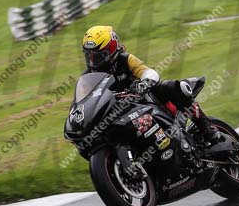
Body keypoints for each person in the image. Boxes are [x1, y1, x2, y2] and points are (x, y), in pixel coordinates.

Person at [81, 24, 223, 149]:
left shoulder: (125, 59)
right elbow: (84, 101)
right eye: (89, 56)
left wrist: (144, 83)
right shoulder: (88, 76)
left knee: (174, 87)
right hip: (118, 113)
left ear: (111, 50)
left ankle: (207, 129)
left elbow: (147, 72)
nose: (93, 61)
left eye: (98, 56)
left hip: (143, 100)